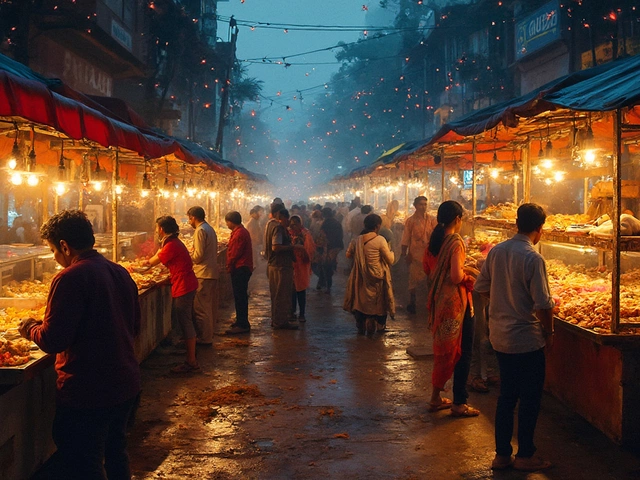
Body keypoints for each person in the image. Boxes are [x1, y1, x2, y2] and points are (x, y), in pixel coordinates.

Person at [18, 210, 140, 479]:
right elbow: (134, 327)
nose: (53, 257)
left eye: (52, 249)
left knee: (83, 462)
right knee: (116, 454)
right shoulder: (119, 272)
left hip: (87, 390)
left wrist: (29, 328)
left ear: (64, 246)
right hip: (125, 384)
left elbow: (53, 340)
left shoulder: (69, 278)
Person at [474, 203, 555, 472]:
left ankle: (502, 455)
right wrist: (550, 332)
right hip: (527, 339)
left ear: (516, 223)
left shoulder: (497, 252)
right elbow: (544, 304)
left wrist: (501, 303)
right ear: (539, 228)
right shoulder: (533, 258)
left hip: (501, 337)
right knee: (530, 398)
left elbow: (481, 286)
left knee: (507, 397)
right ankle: (525, 455)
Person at [423, 200, 478, 418]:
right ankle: (459, 403)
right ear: (457, 219)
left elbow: (428, 268)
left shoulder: (434, 241)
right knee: (462, 352)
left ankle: (436, 397)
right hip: (456, 305)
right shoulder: (455, 241)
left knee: (443, 350)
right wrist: (469, 274)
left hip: (439, 302)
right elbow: (455, 276)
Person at [147, 216, 199, 373]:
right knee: (186, 321)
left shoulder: (171, 245)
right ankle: (191, 355)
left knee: (185, 322)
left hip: (184, 285)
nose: (157, 231)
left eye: (157, 228)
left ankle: (191, 362)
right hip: (184, 282)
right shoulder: (173, 242)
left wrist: (139, 266)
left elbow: (152, 262)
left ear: (161, 229)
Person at [343, 214, 395, 335]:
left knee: (361, 301)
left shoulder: (356, 240)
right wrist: (391, 251)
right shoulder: (380, 240)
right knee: (379, 304)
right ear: (378, 226)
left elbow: (348, 255)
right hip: (377, 276)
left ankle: (361, 323)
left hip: (361, 277)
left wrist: (360, 257)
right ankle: (380, 325)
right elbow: (390, 260)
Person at [186, 206, 219, 346]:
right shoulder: (209, 228)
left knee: (201, 309)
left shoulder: (200, 231)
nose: (189, 222)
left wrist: (187, 256)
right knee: (206, 307)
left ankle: (205, 339)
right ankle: (208, 335)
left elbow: (198, 256)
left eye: (189, 218)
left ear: (193, 217)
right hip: (209, 272)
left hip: (203, 273)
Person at [401, 196, 438, 313]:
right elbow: (406, 238)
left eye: (425, 204)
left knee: (431, 280)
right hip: (415, 255)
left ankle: (431, 303)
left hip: (430, 255)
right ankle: (412, 302)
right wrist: (404, 254)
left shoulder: (432, 220)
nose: (423, 207)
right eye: (421, 204)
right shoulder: (410, 221)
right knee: (413, 280)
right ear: (415, 206)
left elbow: (437, 237)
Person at [268, 208, 302, 329]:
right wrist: (292, 247)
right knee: (281, 295)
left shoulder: (270, 226)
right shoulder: (278, 228)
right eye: (288, 220)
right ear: (283, 217)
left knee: (278, 294)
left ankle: (278, 320)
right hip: (280, 266)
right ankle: (280, 322)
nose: (289, 223)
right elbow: (276, 247)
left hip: (276, 265)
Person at [224, 211, 254, 334]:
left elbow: (235, 253)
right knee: (239, 296)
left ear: (231, 222)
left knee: (240, 296)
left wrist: (228, 265)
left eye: (227, 222)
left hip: (241, 267)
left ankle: (242, 324)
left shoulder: (239, 234)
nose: (226, 224)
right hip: (242, 267)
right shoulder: (239, 232)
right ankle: (240, 320)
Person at [289, 215, 316, 322]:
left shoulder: (306, 234)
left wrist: (303, 251)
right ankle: (292, 312)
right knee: (292, 290)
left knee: (301, 290)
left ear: (300, 223)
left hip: (302, 265)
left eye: (296, 223)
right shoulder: (288, 234)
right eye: (292, 223)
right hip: (291, 265)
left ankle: (302, 313)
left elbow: (310, 249)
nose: (293, 225)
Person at [318, 207, 344, 293]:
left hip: (328, 247)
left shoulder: (325, 223)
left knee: (326, 265)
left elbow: (322, 236)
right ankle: (324, 282)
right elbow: (341, 235)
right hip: (336, 246)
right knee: (328, 264)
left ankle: (327, 284)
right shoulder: (336, 222)